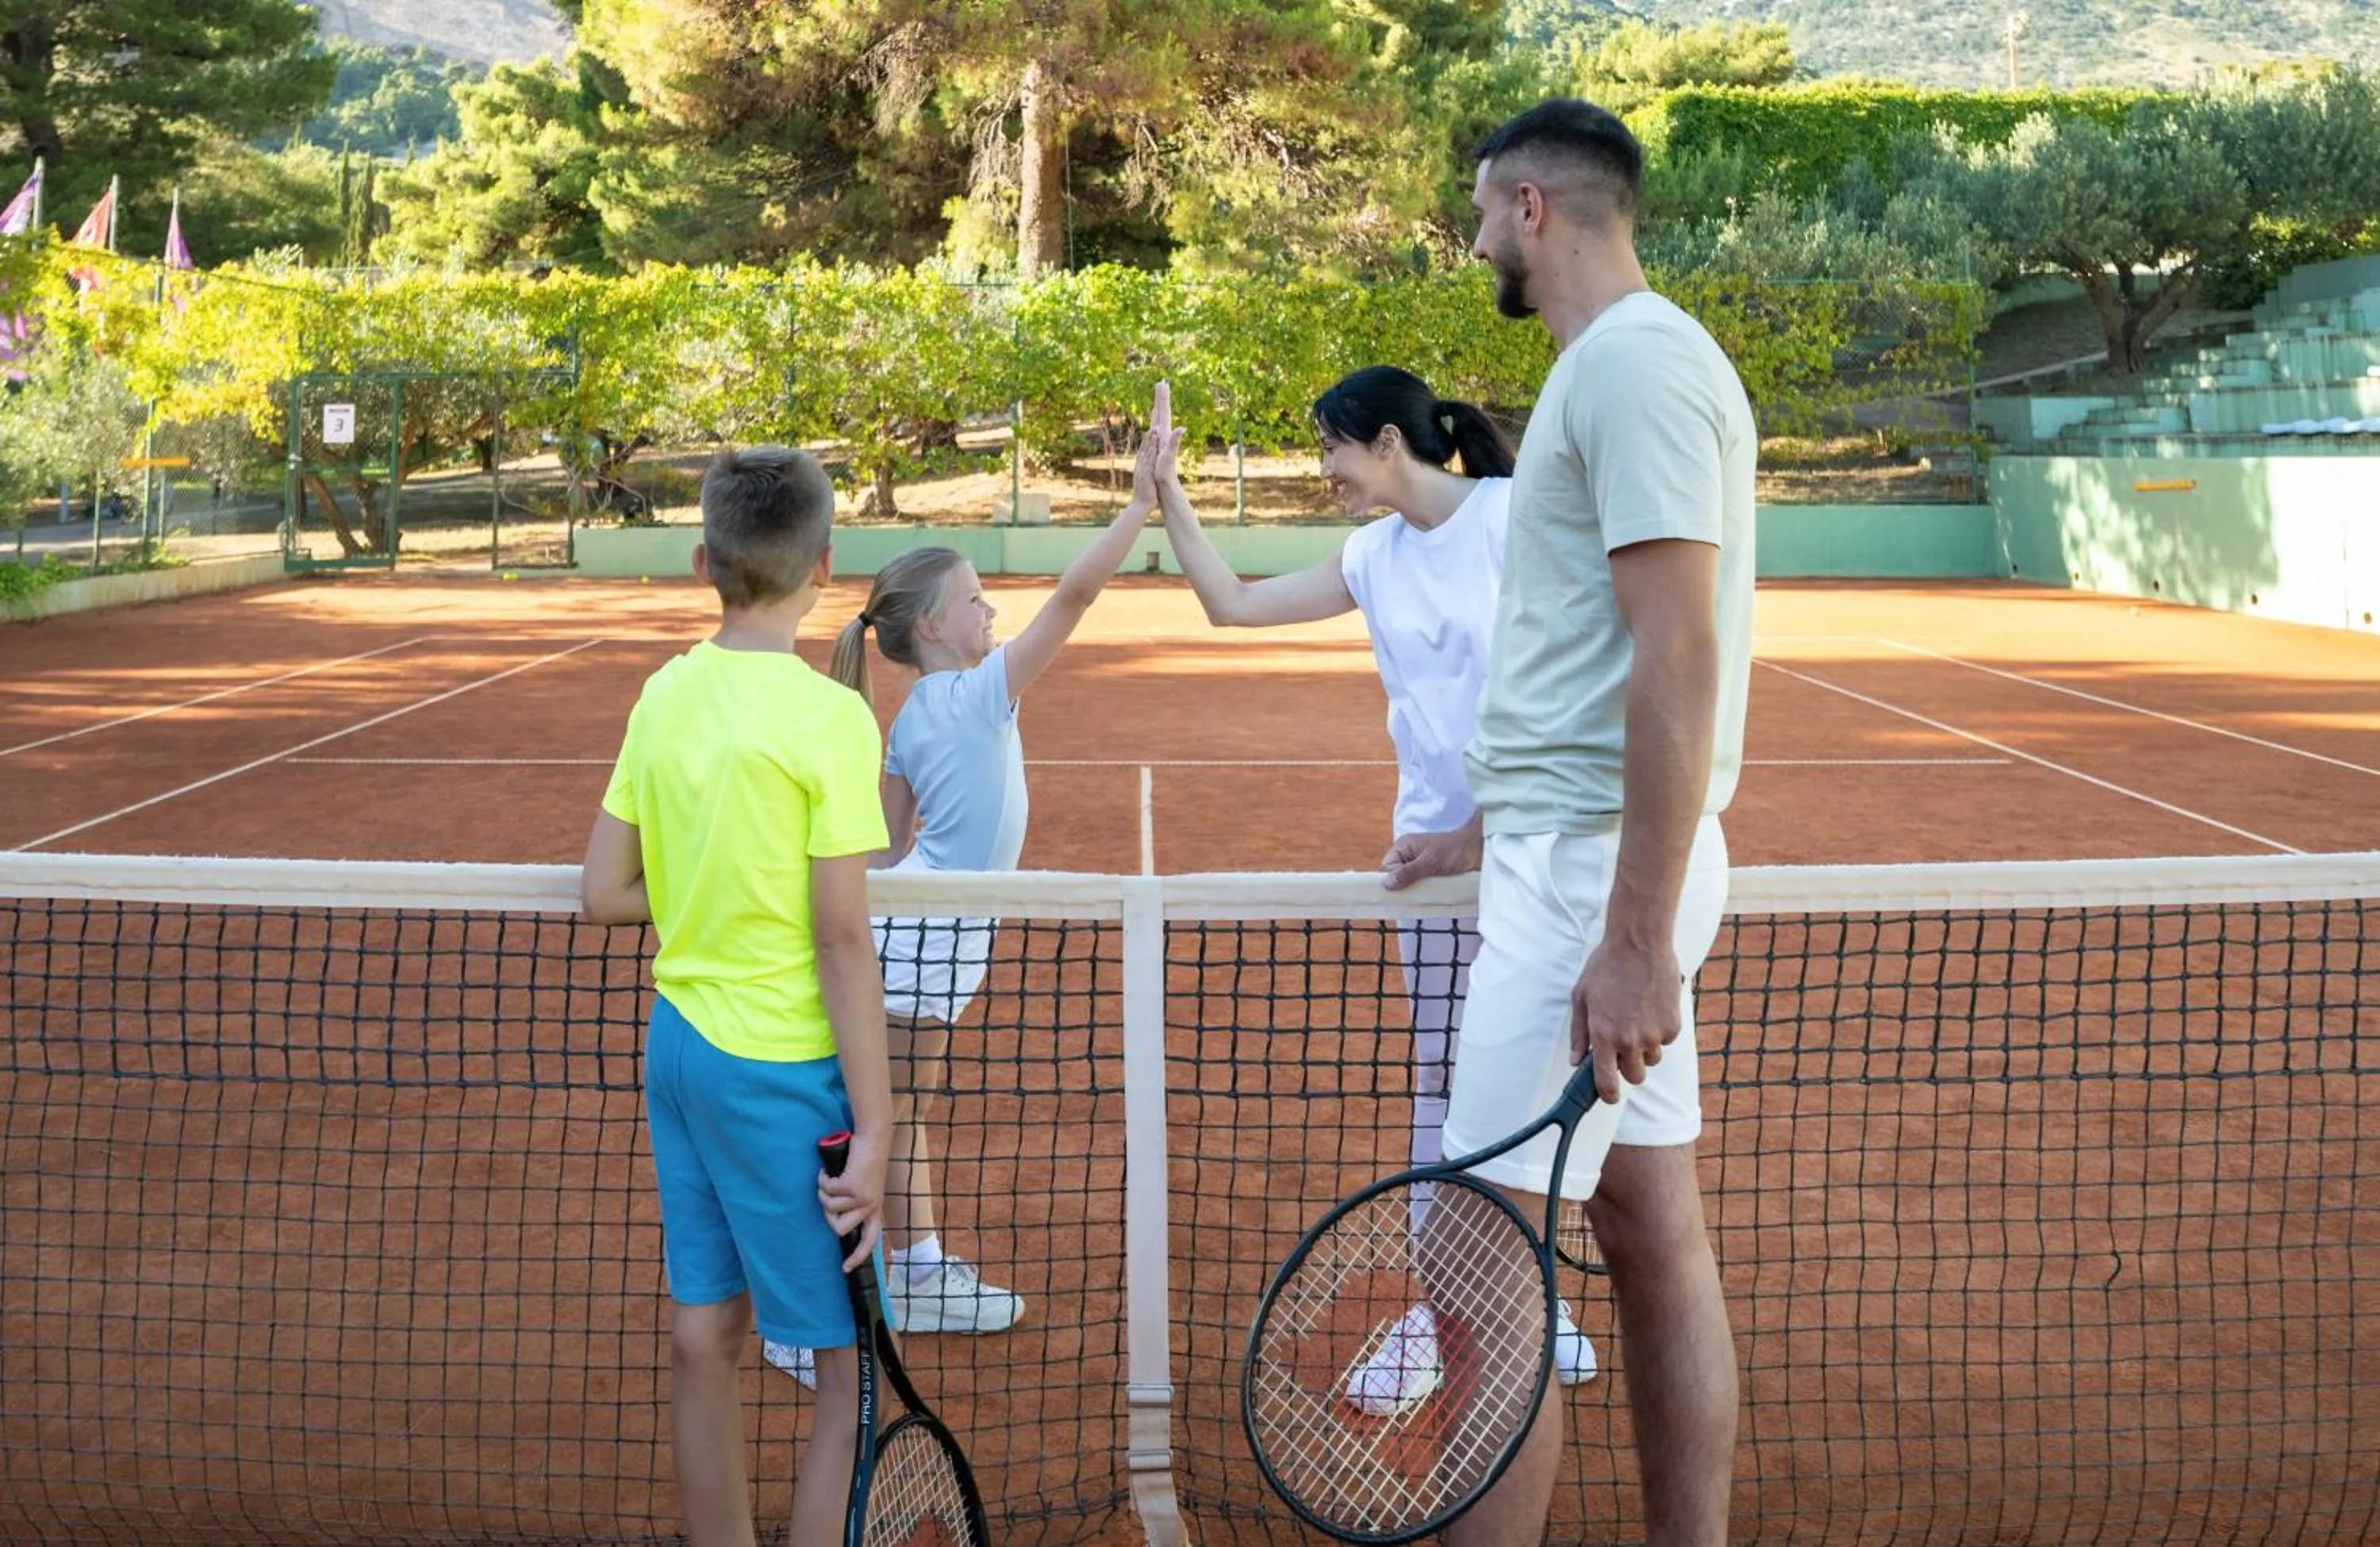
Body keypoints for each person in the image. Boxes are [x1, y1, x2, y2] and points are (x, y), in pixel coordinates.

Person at [1384, 98, 1758, 1547]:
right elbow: (1598, 670)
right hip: (1573, 861)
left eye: (1481, 208)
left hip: (1594, 893)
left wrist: (1632, 939)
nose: (1474, 236)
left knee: (1480, 1267)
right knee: (1650, 1239)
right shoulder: (1612, 372)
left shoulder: (1637, 369)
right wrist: (1492, 830)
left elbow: (1677, 658)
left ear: (1532, 208)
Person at [1157, 363, 1599, 1411]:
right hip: (1435, 872)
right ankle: (1443, 1312)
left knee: (1557, 1079)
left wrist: (1475, 832)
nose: (1325, 471)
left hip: (1542, 853)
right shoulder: (1372, 555)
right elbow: (1231, 604)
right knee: (1445, 1090)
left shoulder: (1512, 516)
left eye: (1333, 448)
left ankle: (1533, 1295)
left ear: (1386, 443)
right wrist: (1163, 495)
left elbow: (1568, 687)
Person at [765, 386, 1186, 1387]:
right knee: (880, 1117)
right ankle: (808, 1306)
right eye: (975, 601)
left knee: (898, 1113)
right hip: (929, 941)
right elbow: (1074, 600)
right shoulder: (981, 692)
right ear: (937, 630)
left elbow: (886, 843)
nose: (992, 610)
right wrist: (1139, 506)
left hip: (929, 931)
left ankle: (914, 1268)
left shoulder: (914, 711)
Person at [580, 446, 896, 1547]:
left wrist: (708, 874)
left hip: (681, 1053)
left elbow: (605, 891)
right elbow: (843, 936)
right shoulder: (831, 718)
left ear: (701, 558)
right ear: (827, 561)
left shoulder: (664, 692)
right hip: (784, 1072)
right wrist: (880, 1131)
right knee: (847, 1372)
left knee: (702, 1335)